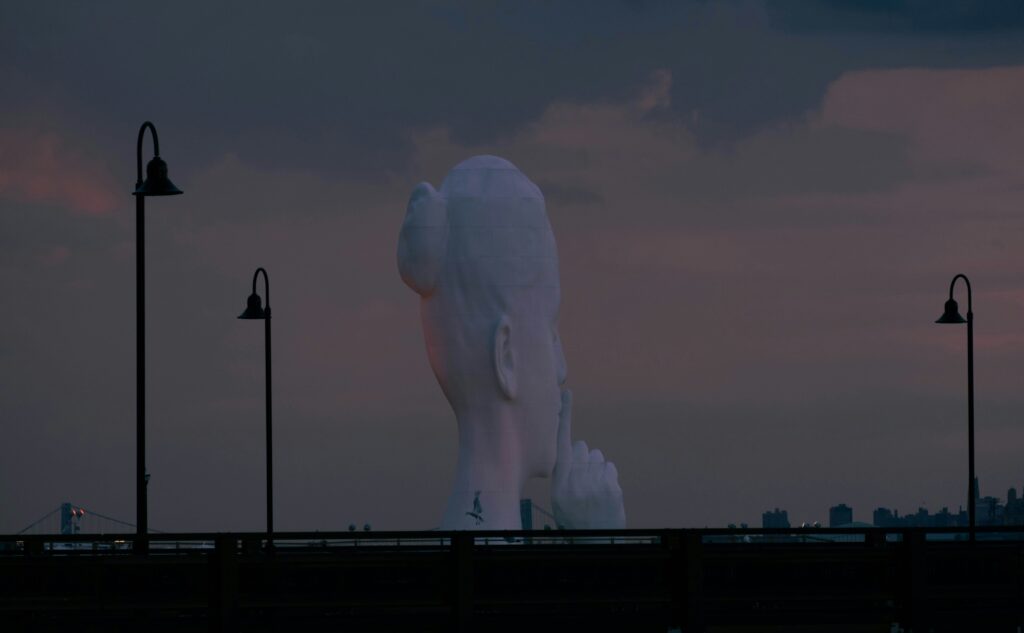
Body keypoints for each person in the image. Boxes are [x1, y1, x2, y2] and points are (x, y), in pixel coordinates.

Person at [397, 155, 625, 530]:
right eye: (551, 333)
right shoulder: (496, 579)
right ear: (506, 357)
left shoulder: (455, 560)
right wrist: (604, 546)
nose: (562, 368)